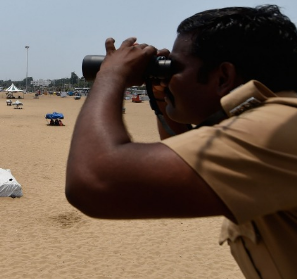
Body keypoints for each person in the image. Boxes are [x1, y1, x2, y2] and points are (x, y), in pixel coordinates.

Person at [65, 5, 297, 279]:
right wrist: (164, 95)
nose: (167, 77)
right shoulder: (278, 119)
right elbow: (187, 154)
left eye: (175, 68)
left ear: (223, 77)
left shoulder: (272, 130)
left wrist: (112, 75)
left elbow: (93, 182)